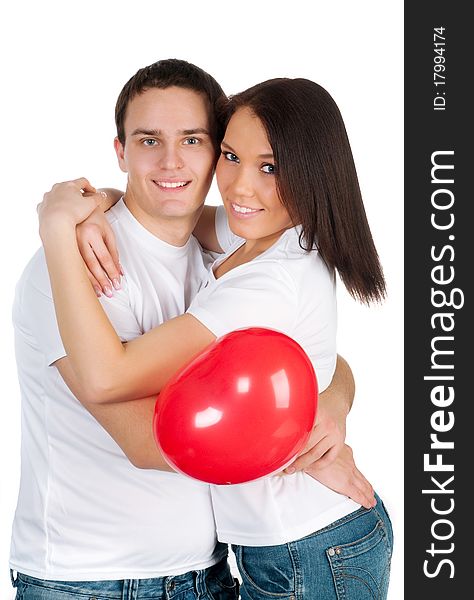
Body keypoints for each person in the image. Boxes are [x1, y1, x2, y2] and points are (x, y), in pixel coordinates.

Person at [10, 59, 371, 600]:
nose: (172, 161)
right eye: (149, 140)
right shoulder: (71, 269)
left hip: (213, 569)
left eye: (195, 140)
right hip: (92, 579)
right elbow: (143, 433)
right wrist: (62, 223)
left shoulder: (235, 253)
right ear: (121, 151)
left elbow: (317, 350)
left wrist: (331, 403)